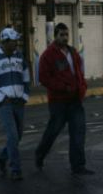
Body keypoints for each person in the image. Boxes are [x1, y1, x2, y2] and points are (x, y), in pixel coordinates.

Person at [34, 23, 94, 175]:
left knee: (78, 134)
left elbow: (79, 72)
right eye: (61, 35)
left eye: (66, 35)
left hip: (75, 100)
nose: (65, 38)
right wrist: (63, 87)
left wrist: (82, 87)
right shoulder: (48, 55)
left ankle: (78, 166)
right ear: (55, 36)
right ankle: (39, 155)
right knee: (52, 132)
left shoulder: (73, 52)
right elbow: (43, 78)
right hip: (58, 102)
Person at [0, 27, 30, 181]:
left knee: (18, 136)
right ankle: (16, 169)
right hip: (5, 104)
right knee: (12, 135)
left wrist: (25, 95)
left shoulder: (19, 56)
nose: (16, 44)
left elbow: (26, 76)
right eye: (13, 41)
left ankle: (2, 157)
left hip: (19, 102)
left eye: (17, 41)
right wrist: (0, 98)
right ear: (5, 42)